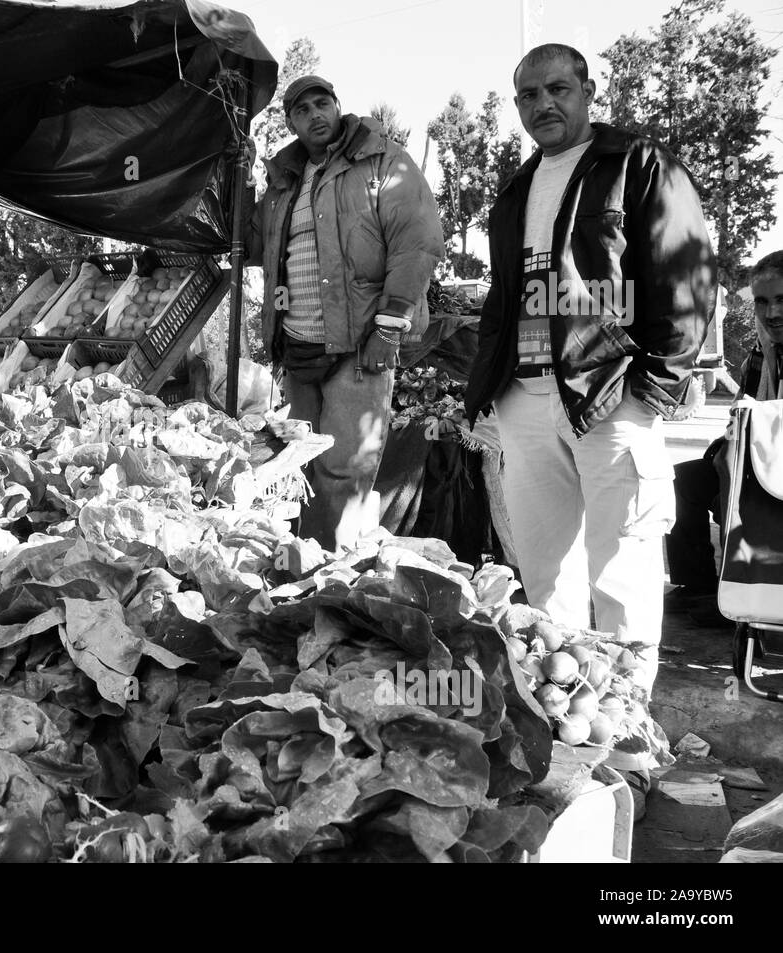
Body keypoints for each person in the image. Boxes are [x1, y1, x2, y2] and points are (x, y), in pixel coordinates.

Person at [464, 44, 716, 694]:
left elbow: (685, 275)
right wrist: (490, 393)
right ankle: (572, 729)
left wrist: (654, 387)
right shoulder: (518, 188)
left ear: (587, 90)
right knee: (549, 580)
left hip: (610, 395)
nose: (543, 103)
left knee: (622, 577)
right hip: (525, 400)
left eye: (557, 88)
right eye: (528, 94)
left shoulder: (638, 164)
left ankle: (626, 728)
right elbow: (507, 295)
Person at [246, 75, 445, 551]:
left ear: (337, 106)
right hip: (298, 347)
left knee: (344, 470)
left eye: (323, 103)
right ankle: (301, 570)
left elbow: (417, 246)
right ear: (291, 121)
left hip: (359, 346)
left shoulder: (383, 162)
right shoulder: (283, 183)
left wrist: (389, 328)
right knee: (297, 468)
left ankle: (331, 575)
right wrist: (240, 179)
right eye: (302, 109)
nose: (315, 114)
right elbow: (253, 245)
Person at [666, 252, 783, 625]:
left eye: (782, 300)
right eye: (763, 302)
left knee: (732, 487)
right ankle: (696, 586)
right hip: (760, 459)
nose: (773, 313)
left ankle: (739, 596)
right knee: (685, 479)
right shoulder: (761, 356)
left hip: (774, 471)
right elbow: (741, 412)